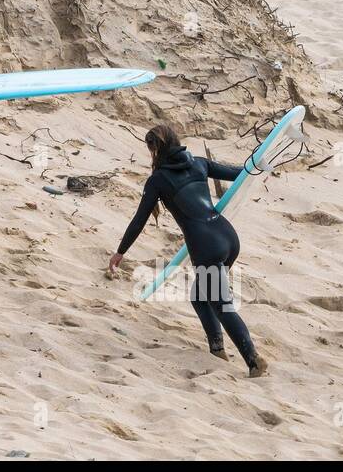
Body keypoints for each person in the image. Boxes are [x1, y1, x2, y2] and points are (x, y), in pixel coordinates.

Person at [108, 124, 269, 377]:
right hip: (227, 237)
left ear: (154, 150)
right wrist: (263, 162)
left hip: (205, 247)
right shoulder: (198, 163)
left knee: (221, 305)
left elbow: (139, 220)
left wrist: (120, 251)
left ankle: (253, 360)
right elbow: (241, 174)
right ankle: (217, 349)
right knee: (199, 297)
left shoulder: (158, 180)